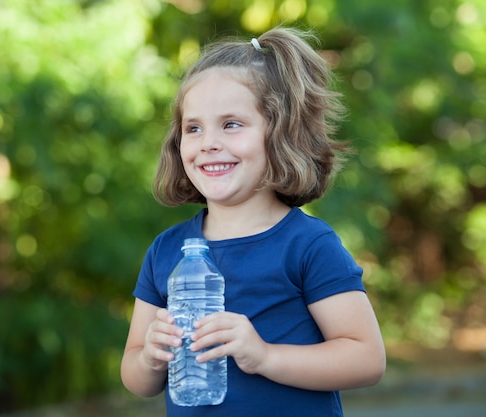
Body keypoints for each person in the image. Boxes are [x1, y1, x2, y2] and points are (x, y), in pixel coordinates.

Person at [120, 26, 385, 417]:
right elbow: (136, 375)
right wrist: (151, 359)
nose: (208, 141)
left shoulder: (308, 245)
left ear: (279, 134)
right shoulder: (167, 250)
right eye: (193, 128)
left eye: (231, 124)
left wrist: (264, 356)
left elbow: (366, 359)